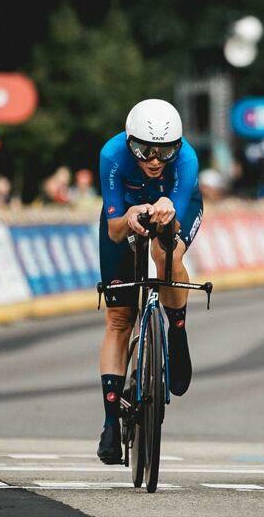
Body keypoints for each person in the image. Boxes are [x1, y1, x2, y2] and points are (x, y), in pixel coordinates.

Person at [96, 99, 202, 464]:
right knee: (119, 320)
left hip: (174, 207)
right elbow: (112, 231)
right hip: (124, 212)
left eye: (165, 152)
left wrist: (165, 210)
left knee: (167, 253)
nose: (155, 161)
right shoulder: (112, 155)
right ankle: (111, 423)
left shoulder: (186, 161)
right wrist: (127, 216)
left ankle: (176, 329)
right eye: (144, 151)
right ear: (129, 143)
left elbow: (172, 222)